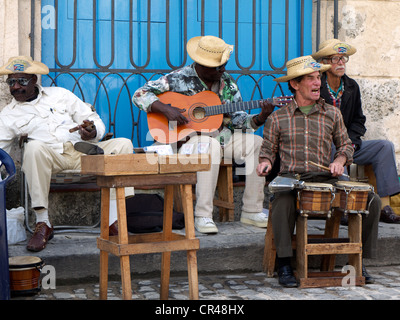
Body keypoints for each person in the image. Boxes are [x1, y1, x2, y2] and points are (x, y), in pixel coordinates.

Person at [257, 55, 381, 287]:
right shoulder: (277, 118)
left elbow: (345, 144)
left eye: (318, 78)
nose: (318, 83)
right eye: (311, 79)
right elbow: (267, 150)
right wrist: (264, 163)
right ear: (295, 84)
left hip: (326, 179)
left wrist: (340, 160)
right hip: (292, 179)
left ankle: (359, 258)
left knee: (371, 200)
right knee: (281, 202)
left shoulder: (332, 114)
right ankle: (284, 263)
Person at [133, 35, 274, 234]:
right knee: (210, 145)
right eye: (218, 67)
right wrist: (166, 109)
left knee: (257, 142)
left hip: (222, 137)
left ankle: (252, 210)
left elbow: (238, 120)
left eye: (224, 65)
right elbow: (139, 94)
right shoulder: (177, 78)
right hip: (185, 142)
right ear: (202, 64)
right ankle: (203, 215)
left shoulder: (228, 84)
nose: (223, 70)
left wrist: (260, 117)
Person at [0, 56, 134, 252]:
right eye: (11, 82)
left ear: (34, 80)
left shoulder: (60, 95)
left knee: (124, 144)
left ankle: (113, 222)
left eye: (22, 81)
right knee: (33, 147)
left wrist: (92, 131)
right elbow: (0, 149)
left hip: (83, 154)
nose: (15, 87)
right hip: (50, 158)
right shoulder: (8, 114)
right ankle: (43, 223)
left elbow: (93, 120)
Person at [312, 38, 400, 223]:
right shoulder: (316, 87)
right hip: (324, 147)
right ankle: (341, 207)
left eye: (343, 59)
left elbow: (359, 121)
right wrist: (339, 147)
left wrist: (350, 142)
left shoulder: (352, 86)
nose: (341, 63)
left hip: (349, 144)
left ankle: (384, 207)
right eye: (335, 59)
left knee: (384, 147)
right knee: (336, 153)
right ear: (324, 63)